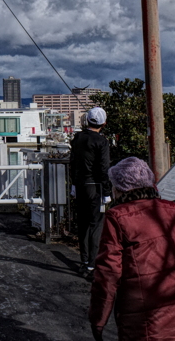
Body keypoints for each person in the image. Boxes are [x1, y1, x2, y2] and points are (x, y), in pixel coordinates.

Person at [89, 157, 175, 341]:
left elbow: (108, 274)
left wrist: (98, 319)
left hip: (142, 319)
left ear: (119, 189)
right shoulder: (172, 210)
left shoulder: (117, 217)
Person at [70, 106, 111, 278]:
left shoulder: (77, 138)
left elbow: (72, 163)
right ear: (104, 123)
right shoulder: (101, 141)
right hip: (95, 187)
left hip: (80, 185)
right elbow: (103, 168)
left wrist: (73, 184)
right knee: (96, 225)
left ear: (87, 121)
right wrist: (107, 191)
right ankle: (92, 265)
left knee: (83, 224)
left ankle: (84, 261)